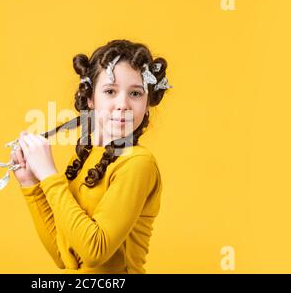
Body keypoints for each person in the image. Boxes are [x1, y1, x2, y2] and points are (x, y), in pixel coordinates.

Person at [10, 39, 172, 274]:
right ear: (90, 99)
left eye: (135, 93)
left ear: (147, 104)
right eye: (110, 91)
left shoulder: (138, 163)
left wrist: (48, 174)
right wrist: (31, 184)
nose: (123, 104)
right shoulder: (84, 160)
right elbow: (64, 256)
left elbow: (94, 251)